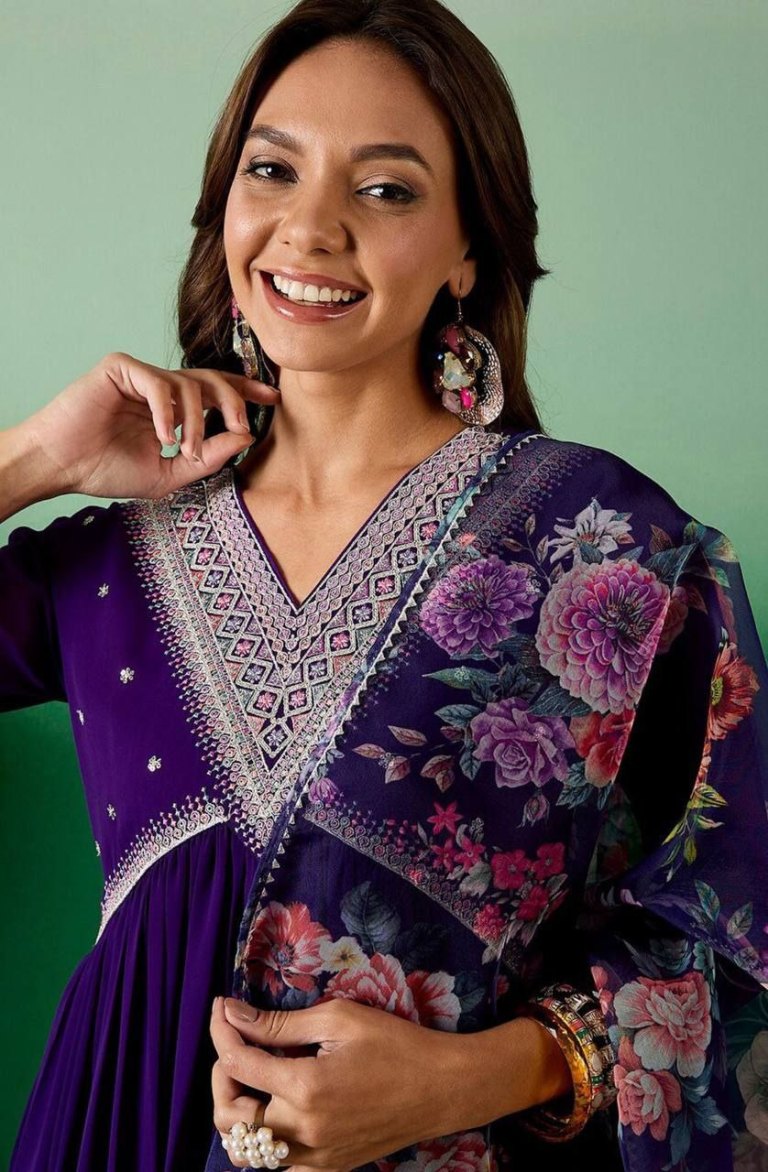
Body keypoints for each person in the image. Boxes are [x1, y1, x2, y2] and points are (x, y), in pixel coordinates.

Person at [2, 0, 767, 1169]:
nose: (310, 227)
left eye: (385, 188)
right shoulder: (114, 558)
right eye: (273, 170)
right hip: (108, 1133)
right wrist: (35, 458)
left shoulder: (610, 550)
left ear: (470, 250)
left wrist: (469, 1078)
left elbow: (734, 943)